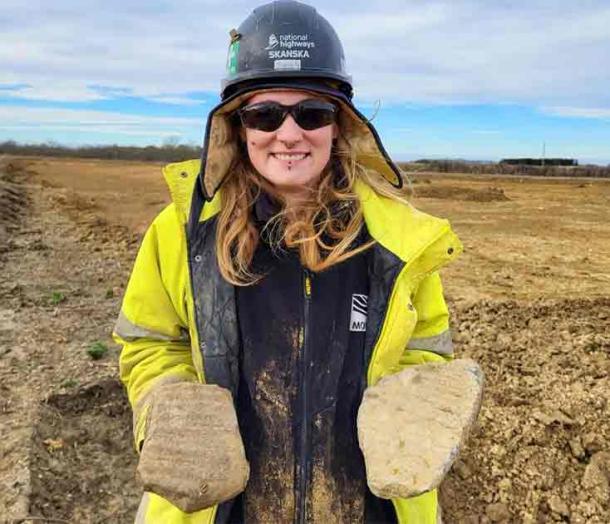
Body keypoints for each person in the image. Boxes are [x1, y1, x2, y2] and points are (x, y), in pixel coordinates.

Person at [113, 1, 463, 522]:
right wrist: (170, 401)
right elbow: (149, 343)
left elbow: (425, 345)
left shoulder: (398, 240)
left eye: (312, 112)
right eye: (266, 114)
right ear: (238, 127)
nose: (289, 132)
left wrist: (411, 406)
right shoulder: (181, 235)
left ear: (339, 125)